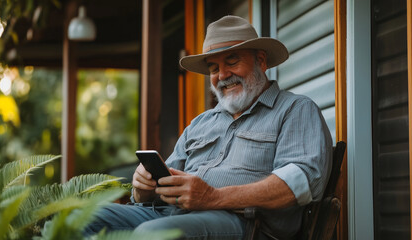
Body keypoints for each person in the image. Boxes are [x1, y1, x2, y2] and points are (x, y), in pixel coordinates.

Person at [85, 15, 332, 240]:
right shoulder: (201, 123)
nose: (222, 75)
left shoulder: (294, 109)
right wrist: (144, 189)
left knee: (151, 234)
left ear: (261, 60)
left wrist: (213, 197)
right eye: (214, 68)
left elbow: (302, 182)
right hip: (170, 215)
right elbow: (168, 182)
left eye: (232, 61)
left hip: (244, 225)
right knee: (84, 218)